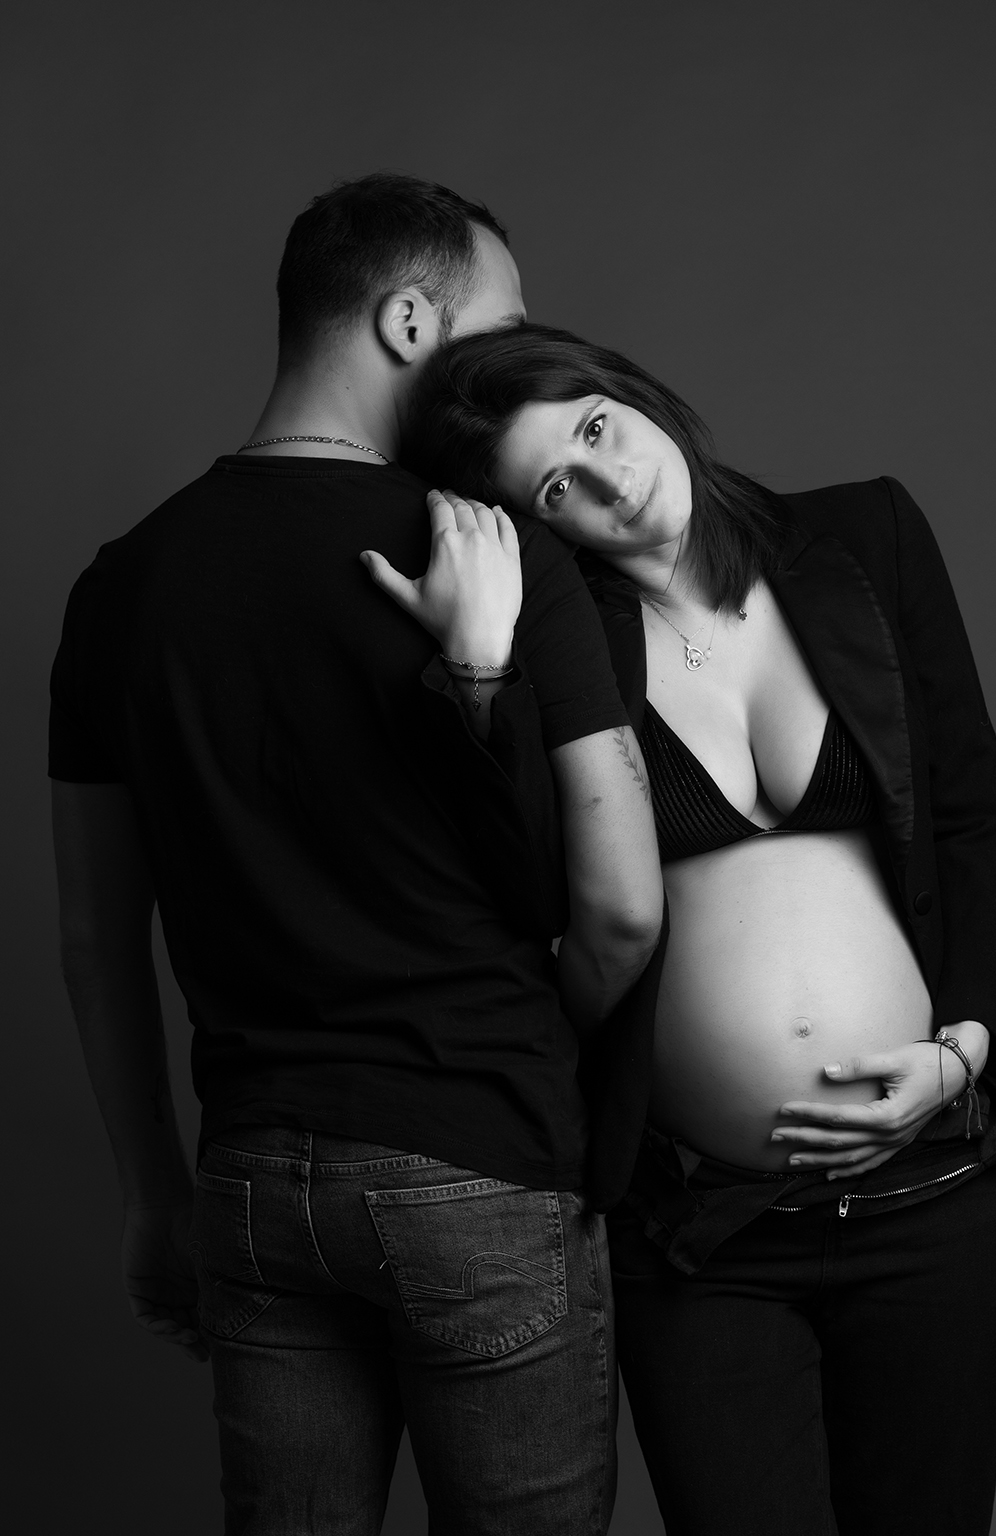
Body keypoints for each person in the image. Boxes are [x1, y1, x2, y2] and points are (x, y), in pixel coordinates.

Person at [49, 181, 662, 1535]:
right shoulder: (497, 554)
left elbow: (96, 937)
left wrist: (153, 1197)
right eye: (497, 325)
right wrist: (516, 1072)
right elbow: (621, 909)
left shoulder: (120, 586)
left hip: (253, 1180)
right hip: (480, 1161)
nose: (514, 357)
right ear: (406, 322)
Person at [396, 321, 996, 1536]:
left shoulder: (865, 536)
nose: (609, 480)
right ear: (535, 526)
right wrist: (477, 668)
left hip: (931, 1193)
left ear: (629, 391)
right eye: (556, 488)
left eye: (595, 428)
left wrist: (964, 1051)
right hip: (702, 1234)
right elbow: (512, 893)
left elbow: (969, 820)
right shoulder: (563, 648)